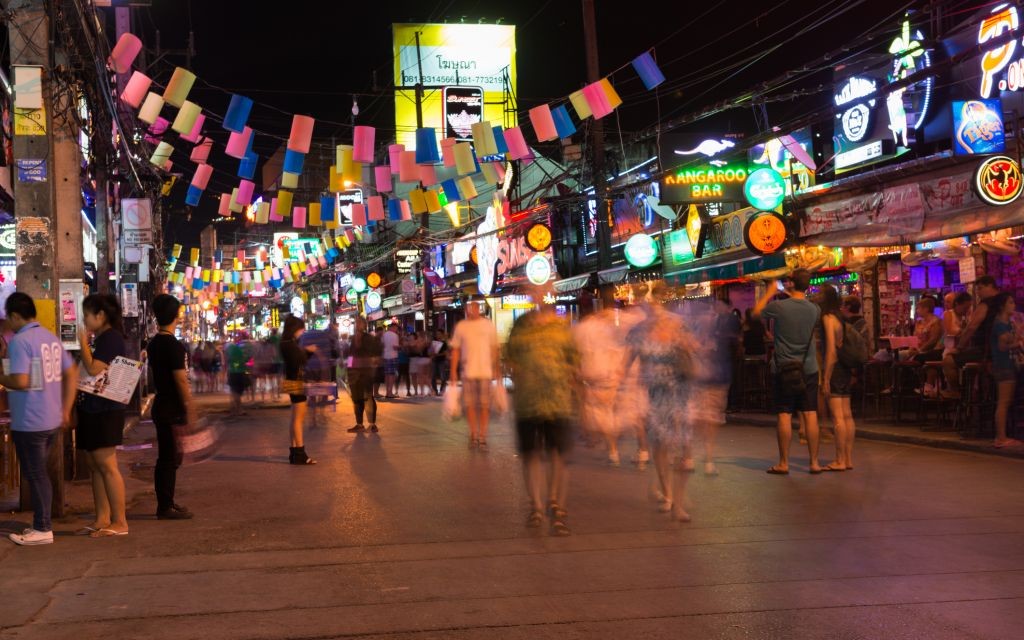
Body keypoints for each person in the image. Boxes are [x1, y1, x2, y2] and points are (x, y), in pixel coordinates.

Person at [1, 293, 77, 545]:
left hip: (30, 419)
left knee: (36, 474)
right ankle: (41, 524)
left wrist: (1, 377)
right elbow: (71, 372)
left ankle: (43, 528)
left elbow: (21, 381)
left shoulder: (20, 341)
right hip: (51, 418)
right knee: (39, 473)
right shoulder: (49, 338)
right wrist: (65, 409)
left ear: (14, 315)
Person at [506, 297, 579, 535]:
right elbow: (511, 359)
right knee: (532, 455)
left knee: (558, 455)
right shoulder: (521, 326)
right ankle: (536, 505)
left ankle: (556, 504)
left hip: (557, 401)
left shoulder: (562, 328)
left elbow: (575, 361)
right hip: (528, 402)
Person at [624, 298, 698, 522]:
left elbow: (691, 348)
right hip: (656, 395)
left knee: (685, 450)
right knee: (661, 445)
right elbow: (628, 360)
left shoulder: (678, 325)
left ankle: (676, 500)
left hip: (680, 393)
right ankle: (669, 496)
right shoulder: (640, 330)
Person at [753, 269, 824, 475]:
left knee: (784, 413)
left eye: (787, 280)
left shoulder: (779, 306)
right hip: (808, 367)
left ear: (792, 283)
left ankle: (783, 463)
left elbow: (756, 312)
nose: (785, 282)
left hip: (784, 367)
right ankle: (814, 462)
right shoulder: (815, 309)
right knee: (810, 413)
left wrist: (769, 292)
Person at [76, 294, 130, 537]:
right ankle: (102, 518)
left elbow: (93, 367)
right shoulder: (101, 338)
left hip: (106, 410)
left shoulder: (112, 339)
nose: (84, 320)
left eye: (87, 315)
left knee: (107, 464)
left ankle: (120, 522)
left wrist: (82, 343)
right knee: (95, 465)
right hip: (91, 407)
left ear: (100, 315)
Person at [147, 295, 195, 519]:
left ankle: (166, 502)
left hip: (161, 405)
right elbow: (181, 380)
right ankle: (165, 505)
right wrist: (189, 406)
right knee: (170, 458)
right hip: (172, 408)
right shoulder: (174, 346)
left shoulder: (155, 343)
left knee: (168, 456)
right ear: (176, 315)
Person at [449, 296, 500, 450]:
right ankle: (473, 433)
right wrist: (453, 371)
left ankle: (483, 435)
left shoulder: (488, 325)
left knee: (485, 405)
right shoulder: (461, 327)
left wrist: (496, 368)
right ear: (466, 311)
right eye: (470, 309)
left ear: (480, 309)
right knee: (470, 405)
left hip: (485, 371)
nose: (473, 311)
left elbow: (494, 348)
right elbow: (456, 350)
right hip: (468, 371)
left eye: (475, 308)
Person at [943, 276, 1000, 397]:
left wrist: (959, 347)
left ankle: (956, 392)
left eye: (980, 289)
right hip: (1003, 352)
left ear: (990, 286)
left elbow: (971, 327)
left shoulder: (986, 304)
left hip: (986, 351)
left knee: (948, 360)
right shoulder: (1005, 301)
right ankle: (973, 394)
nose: (978, 293)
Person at [819, 285, 856, 471]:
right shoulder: (840, 318)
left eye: (819, 294)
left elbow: (831, 351)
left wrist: (826, 377)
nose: (816, 296)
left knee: (837, 417)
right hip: (845, 368)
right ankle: (848, 459)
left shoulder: (827, 318)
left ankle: (840, 459)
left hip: (835, 370)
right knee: (847, 415)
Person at [280, 316, 317, 464]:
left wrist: (304, 351)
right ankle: (300, 453)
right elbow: (299, 361)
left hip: (291, 380)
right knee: (298, 419)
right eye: (301, 329)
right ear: (294, 329)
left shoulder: (286, 343)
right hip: (295, 381)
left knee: (294, 418)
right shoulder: (289, 344)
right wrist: (307, 352)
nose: (302, 331)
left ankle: (294, 452)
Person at [989, 293, 1022, 449]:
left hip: (1007, 364)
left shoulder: (1007, 323)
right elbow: (1003, 347)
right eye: (1010, 302)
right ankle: (1000, 438)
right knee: (1003, 402)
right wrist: (1018, 340)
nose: (1013, 305)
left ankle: (1002, 436)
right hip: (1003, 365)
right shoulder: (1000, 324)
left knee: (1005, 402)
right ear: (1002, 306)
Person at [345, 317, 382, 433]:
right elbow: (351, 355)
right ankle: (359, 423)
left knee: (368, 397)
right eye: (356, 323)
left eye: (360, 323)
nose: (357, 325)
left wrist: (372, 367)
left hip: (366, 372)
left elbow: (376, 355)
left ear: (365, 325)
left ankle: (372, 424)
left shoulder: (369, 338)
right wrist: (349, 368)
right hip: (354, 373)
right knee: (357, 399)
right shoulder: (352, 338)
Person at [226, 333, 252, 416]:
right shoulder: (238, 348)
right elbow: (244, 359)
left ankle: (235, 409)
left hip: (233, 372)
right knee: (237, 392)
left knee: (234, 392)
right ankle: (237, 409)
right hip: (239, 372)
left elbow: (229, 361)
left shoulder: (231, 348)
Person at [380, 323, 400, 398]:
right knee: (392, 375)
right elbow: (395, 347)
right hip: (392, 356)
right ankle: (390, 392)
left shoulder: (384, 335)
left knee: (387, 375)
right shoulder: (395, 336)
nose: (397, 330)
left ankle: (387, 392)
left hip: (385, 356)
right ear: (393, 327)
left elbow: (382, 345)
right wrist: (400, 347)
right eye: (396, 328)